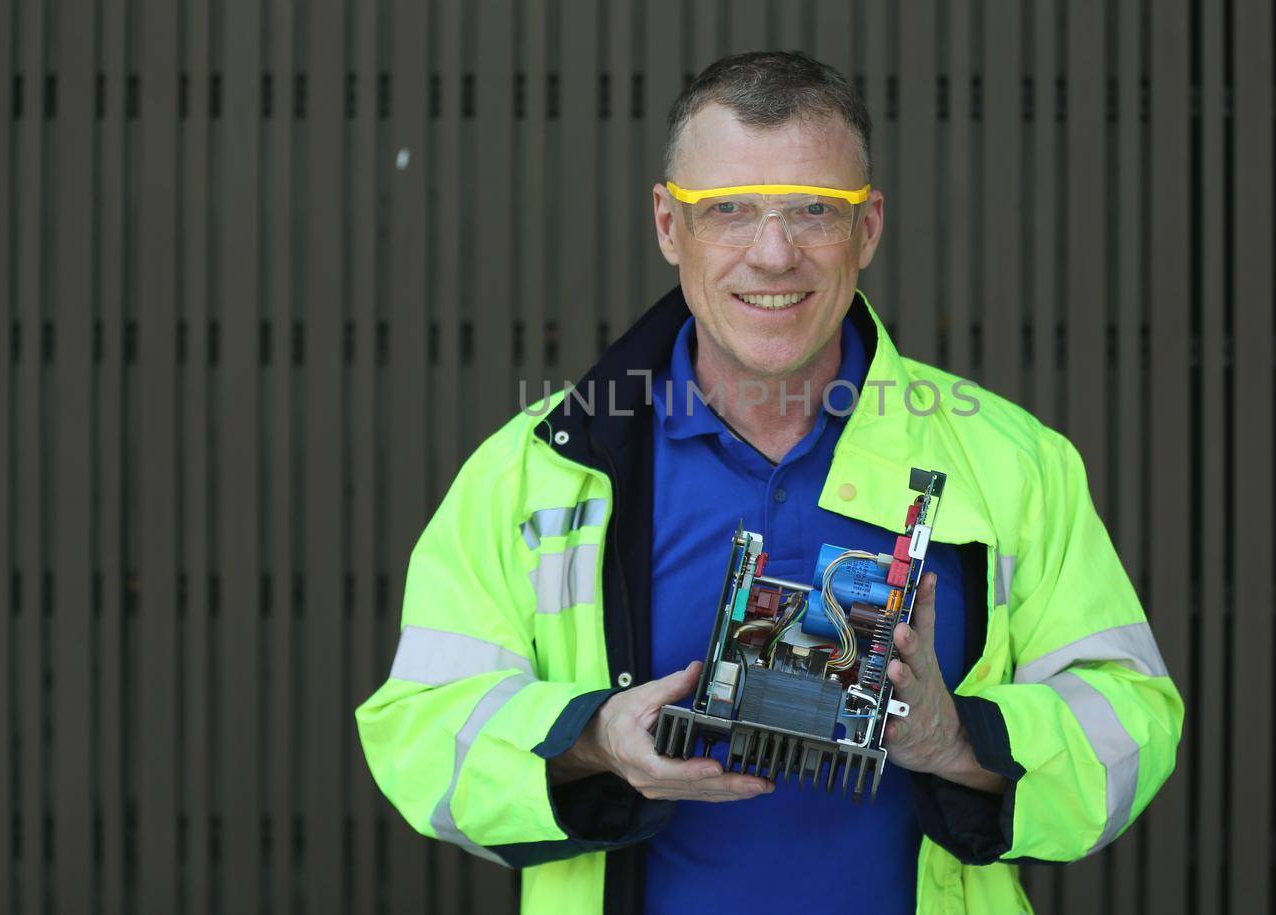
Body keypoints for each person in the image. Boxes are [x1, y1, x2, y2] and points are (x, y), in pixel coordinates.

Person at [356, 51, 1184, 914]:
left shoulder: (1014, 465)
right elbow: (418, 734)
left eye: (814, 212)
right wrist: (593, 738)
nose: (774, 253)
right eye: (730, 212)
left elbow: (1134, 725)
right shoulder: (537, 470)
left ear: (868, 230)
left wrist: (959, 741)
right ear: (669, 225)